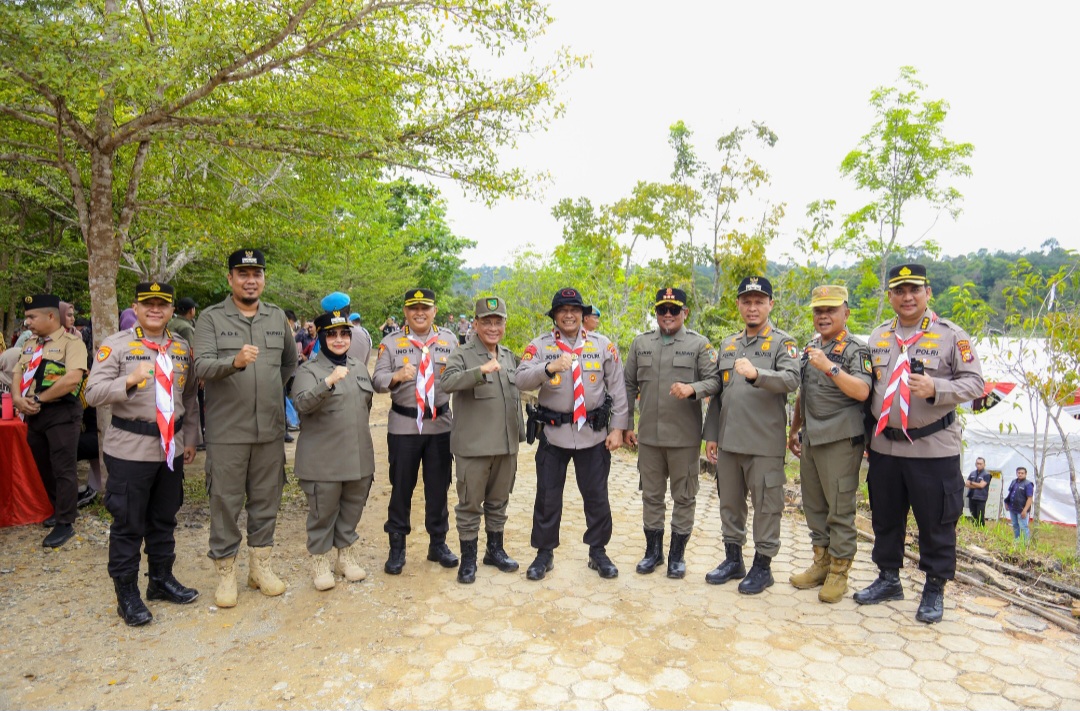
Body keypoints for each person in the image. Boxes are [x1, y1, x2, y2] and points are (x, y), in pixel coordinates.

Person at [853, 263, 984, 624]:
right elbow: (871, 389)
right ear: (890, 296)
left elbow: (976, 385)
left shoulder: (950, 336)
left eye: (914, 290)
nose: (907, 297)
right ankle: (888, 578)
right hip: (885, 448)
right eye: (899, 291)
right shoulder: (878, 337)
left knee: (936, 522)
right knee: (885, 517)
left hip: (932, 448)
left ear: (928, 292)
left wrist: (937, 389)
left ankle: (934, 587)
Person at [84, 282, 200, 626]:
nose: (155, 309)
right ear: (135, 307)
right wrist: (130, 381)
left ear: (170, 310)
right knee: (128, 522)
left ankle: (161, 580)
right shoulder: (116, 346)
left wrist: (190, 437)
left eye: (162, 305)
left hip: (171, 447)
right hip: (130, 448)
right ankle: (127, 595)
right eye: (147, 304)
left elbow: (189, 396)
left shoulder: (180, 347)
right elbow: (92, 392)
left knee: (165, 517)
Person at [195, 248, 298, 608]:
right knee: (224, 500)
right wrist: (234, 364)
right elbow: (201, 367)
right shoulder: (209, 319)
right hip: (228, 431)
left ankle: (260, 568)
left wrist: (268, 392)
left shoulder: (276, 318)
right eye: (242, 273)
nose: (250, 280)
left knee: (267, 498)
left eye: (256, 274)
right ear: (230, 279)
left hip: (269, 429)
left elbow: (288, 364)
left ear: (264, 279)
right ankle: (226, 573)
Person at [516, 287, 628, 580]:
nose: (569, 315)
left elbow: (617, 388)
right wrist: (548, 367)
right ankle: (544, 553)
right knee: (548, 497)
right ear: (554, 316)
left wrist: (618, 428)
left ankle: (598, 551)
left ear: (582, 315)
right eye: (562, 311)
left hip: (593, 434)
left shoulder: (603, 345)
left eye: (574, 310)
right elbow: (520, 378)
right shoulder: (539, 346)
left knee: (597, 496)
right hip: (554, 433)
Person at [703, 276, 800, 594]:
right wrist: (712, 434)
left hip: (764, 444)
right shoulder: (729, 344)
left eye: (760, 301)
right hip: (730, 442)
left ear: (771, 304)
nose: (753, 307)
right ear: (739, 306)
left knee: (766, 505)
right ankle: (734, 560)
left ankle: (762, 567)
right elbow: (719, 393)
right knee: (729, 504)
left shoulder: (783, 343)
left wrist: (758, 374)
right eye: (747, 301)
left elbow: (791, 380)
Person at [623, 287, 719, 579]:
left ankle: (677, 556)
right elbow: (628, 385)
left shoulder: (699, 345)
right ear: (656, 312)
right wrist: (626, 424)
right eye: (662, 309)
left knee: (684, 496)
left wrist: (693, 389)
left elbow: (716, 381)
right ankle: (653, 552)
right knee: (651, 496)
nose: (667, 315)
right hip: (649, 437)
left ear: (685, 313)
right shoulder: (641, 344)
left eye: (674, 310)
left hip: (684, 437)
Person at [786, 285, 873, 603]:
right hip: (811, 437)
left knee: (839, 509)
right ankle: (821, 563)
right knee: (814, 507)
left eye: (831, 310)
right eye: (818, 311)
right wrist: (794, 428)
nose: (823, 316)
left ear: (846, 313)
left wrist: (831, 367)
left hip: (840, 440)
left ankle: (839, 572)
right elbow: (803, 392)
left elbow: (862, 392)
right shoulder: (810, 347)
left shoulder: (855, 350)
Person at [372, 288, 459, 574]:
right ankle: (397, 548)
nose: (419, 313)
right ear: (405, 312)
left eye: (425, 308)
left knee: (438, 487)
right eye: (413, 308)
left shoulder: (449, 340)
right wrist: (395, 377)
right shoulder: (391, 343)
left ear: (434, 311)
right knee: (401, 488)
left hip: (439, 426)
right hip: (404, 426)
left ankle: (438, 544)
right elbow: (377, 380)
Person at [440, 296, 524, 584]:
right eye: (486, 322)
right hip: (473, 447)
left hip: (505, 445)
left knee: (499, 502)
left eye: (497, 321)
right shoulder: (462, 354)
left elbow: (520, 393)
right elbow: (447, 382)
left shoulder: (510, 356)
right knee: (469, 505)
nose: (492, 327)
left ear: (504, 324)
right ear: (475, 324)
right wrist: (479, 372)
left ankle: (495, 551)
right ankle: (468, 560)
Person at [291, 310, 376, 590]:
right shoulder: (308, 371)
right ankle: (320, 561)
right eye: (332, 334)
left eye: (344, 334)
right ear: (321, 336)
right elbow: (302, 404)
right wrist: (327, 383)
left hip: (357, 455)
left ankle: (345, 558)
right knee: (323, 511)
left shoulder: (359, 367)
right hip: (323, 460)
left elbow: (365, 407)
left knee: (352, 508)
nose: (339, 339)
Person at [11, 294, 89, 548]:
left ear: (51, 316)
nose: (28, 323)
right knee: (43, 465)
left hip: (62, 413)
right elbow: (18, 371)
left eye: (32, 317)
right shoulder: (31, 343)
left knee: (63, 467)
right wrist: (17, 399)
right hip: (34, 413)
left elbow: (72, 379)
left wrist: (39, 399)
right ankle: (58, 508)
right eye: (26, 318)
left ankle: (65, 523)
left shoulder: (71, 343)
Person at [1005, 467, 1034, 541]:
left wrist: (1025, 510)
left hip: (1021, 509)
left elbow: (1030, 498)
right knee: (1015, 525)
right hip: (1012, 508)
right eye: (1019, 473)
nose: (1020, 474)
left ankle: (1026, 543)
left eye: (1022, 473)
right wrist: (1006, 502)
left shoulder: (1028, 484)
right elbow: (1010, 493)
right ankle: (1017, 540)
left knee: (1023, 526)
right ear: (1016, 473)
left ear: (1025, 474)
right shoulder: (1014, 482)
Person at [965, 457, 991, 526]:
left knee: (980, 516)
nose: (978, 465)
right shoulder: (972, 473)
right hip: (972, 496)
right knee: (973, 515)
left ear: (984, 465)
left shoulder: (987, 474)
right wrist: (977, 484)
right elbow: (967, 484)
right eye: (977, 463)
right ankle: (975, 529)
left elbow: (982, 486)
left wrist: (972, 483)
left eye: (980, 464)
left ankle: (981, 529)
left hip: (981, 498)